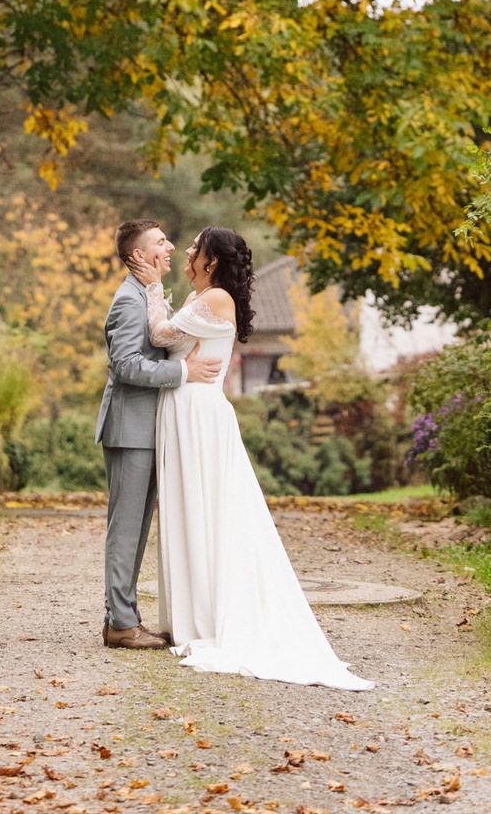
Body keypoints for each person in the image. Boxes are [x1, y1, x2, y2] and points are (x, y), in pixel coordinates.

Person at [135, 226, 373, 691]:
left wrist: (150, 287)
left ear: (213, 259)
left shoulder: (217, 299)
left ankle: (208, 616)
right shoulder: (198, 296)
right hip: (184, 411)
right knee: (188, 508)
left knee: (209, 510)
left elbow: (162, 335)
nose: (187, 250)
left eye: (196, 246)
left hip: (200, 416)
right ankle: (190, 613)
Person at [95, 219, 221, 650]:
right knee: (126, 530)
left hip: (148, 430)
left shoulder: (143, 295)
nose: (170, 248)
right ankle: (122, 624)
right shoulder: (128, 302)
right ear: (139, 255)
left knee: (138, 527)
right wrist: (184, 371)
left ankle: (124, 618)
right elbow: (127, 365)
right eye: (161, 242)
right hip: (131, 430)